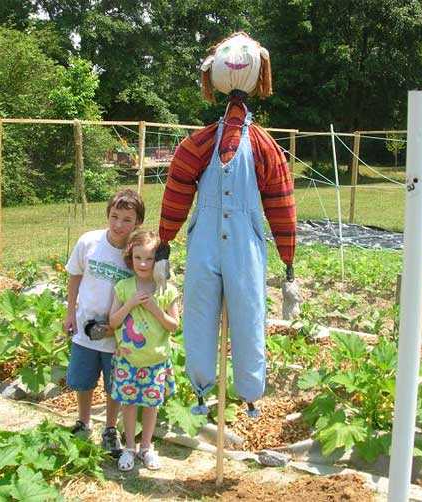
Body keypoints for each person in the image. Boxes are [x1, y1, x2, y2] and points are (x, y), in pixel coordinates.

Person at [156, 32, 297, 416]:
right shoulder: (198, 145)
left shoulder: (266, 149)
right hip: (203, 243)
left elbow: (281, 206)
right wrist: (164, 240)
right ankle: (201, 385)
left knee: (249, 311)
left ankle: (250, 390)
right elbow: (177, 191)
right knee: (199, 311)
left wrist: (288, 260)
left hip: (245, 245)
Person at [63, 189, 145, 454]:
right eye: (114, 216)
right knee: (83, 380)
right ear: (107, 215)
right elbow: (74, 275)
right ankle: (83, 422)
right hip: (85, 329)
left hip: (118, 335)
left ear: (138, 223)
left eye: (127, 220)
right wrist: (69, 313)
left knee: (115, 385)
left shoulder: (134, 255)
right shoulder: (89, 242)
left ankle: (110, 429)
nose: (119, 225)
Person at [109, 230, 178, 471]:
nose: (143, 264)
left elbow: (174, 325)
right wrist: (130, 304)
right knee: (128, 404)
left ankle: (146, 447)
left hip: (155, 360)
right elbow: (113, 322)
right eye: (138, 258)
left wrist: (153, 308)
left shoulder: (166, 289)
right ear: (131, 257)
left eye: (149, 259)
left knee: (151, 405)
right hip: (128, 359)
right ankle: (129, 447)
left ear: (158, 260)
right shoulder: (123, 287)